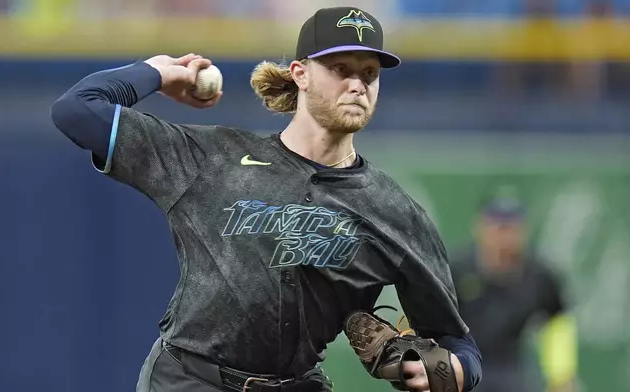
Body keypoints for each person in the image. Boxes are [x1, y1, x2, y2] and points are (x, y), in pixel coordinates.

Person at [50, 6, 482, 392]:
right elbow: (77, 109)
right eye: (340, 68)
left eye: (369, 73)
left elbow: (455, 340)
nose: (356, 84)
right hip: (188, 379)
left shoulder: (394, 212)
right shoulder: (210, 159)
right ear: (301, 73)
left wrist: (457, 369)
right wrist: (158, 72)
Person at [450, 190, 577, 392]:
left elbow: (556, 322)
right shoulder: (456, 270)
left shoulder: (540, 276)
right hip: (464, 359)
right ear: (480, 227)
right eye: (498, 227)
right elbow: (431, 317)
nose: (504, 236)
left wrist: (561, 376)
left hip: (511, 366)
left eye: (511, 228)